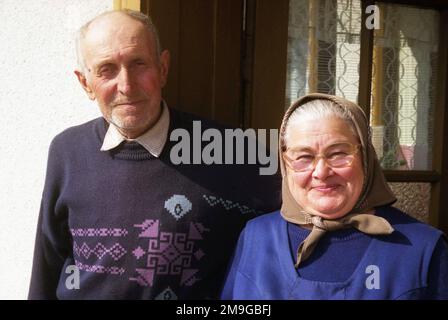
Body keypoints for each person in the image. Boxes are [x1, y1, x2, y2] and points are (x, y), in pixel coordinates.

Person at [28, 10, 280, 300]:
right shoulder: (67, 149)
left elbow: (293, 230)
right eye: (106, 69)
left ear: (163, 68)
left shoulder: (231, 149)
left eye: (138, 64)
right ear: (85, 83)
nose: (126, 85)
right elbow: (49, 261)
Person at [221, 93, 448, 300]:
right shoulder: (256, 237)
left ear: (366, 157)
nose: (321, 172)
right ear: (285, 164)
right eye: (303, 157)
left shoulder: (422, 248)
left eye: (338, 153)